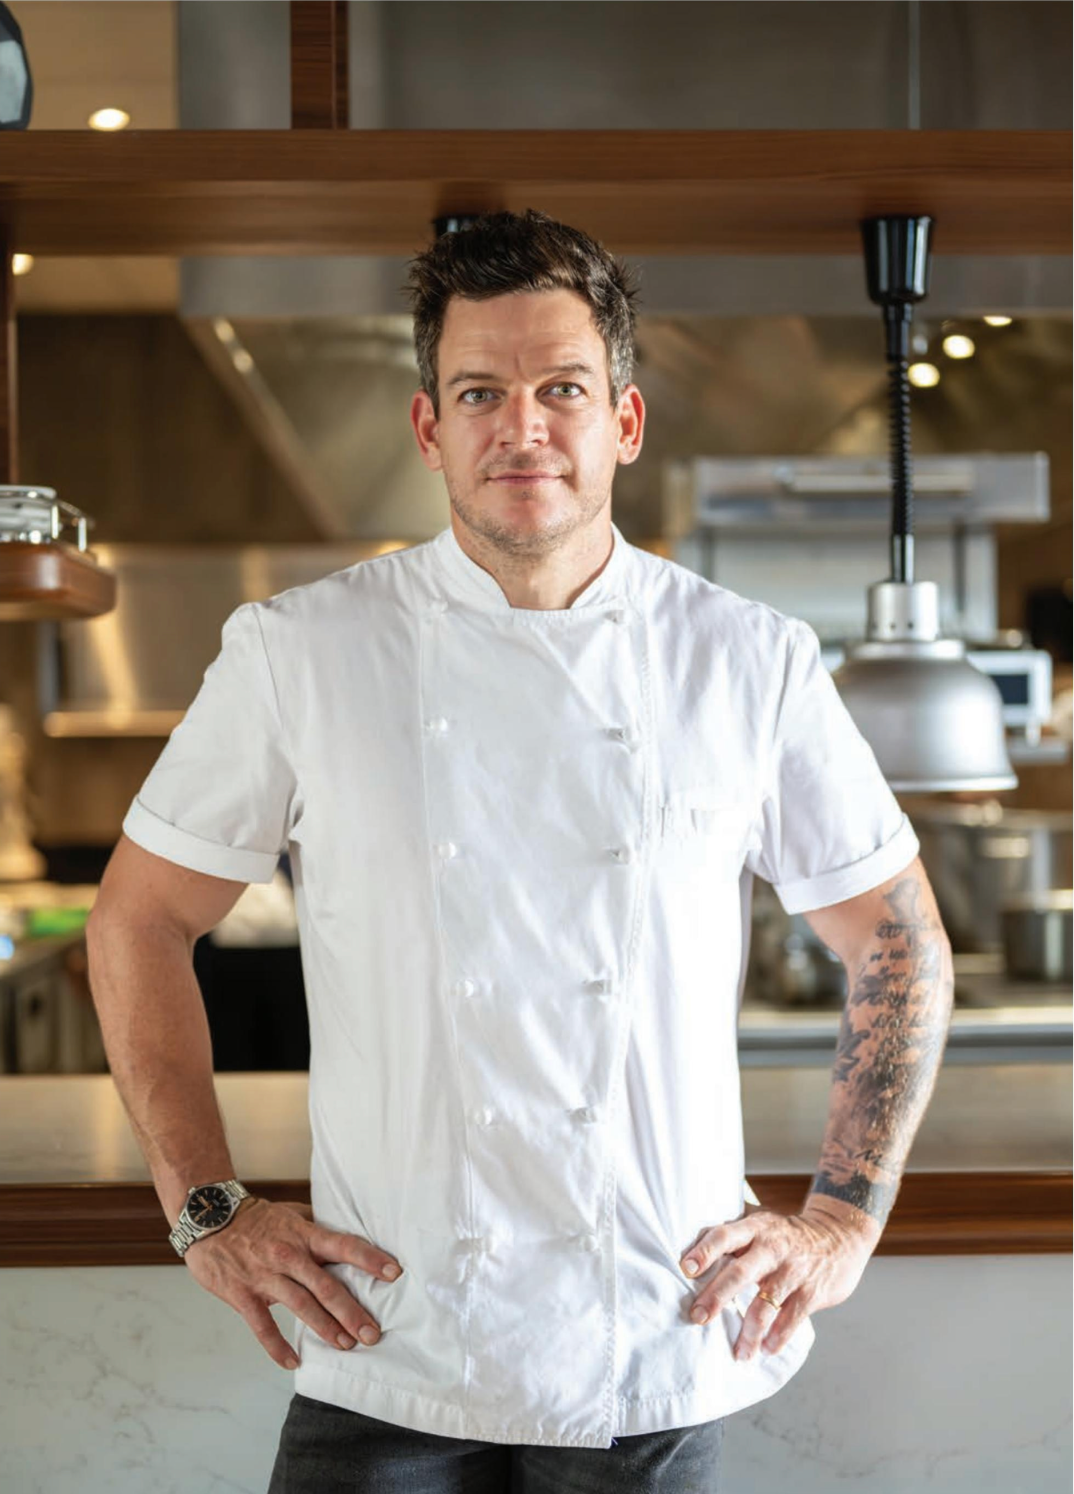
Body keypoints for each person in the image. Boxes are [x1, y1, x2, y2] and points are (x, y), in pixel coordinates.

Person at [86, 208, 955, 1493]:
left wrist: (842, 1220)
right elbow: (137, 919)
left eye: (563, 388)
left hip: (655, 1344)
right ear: (431, 427)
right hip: (387, 1344)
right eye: (481, 391)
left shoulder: (745, 660)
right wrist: (207, 1208)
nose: (524, 426)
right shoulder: (301, 652)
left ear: (626, 421)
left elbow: (896, 933)